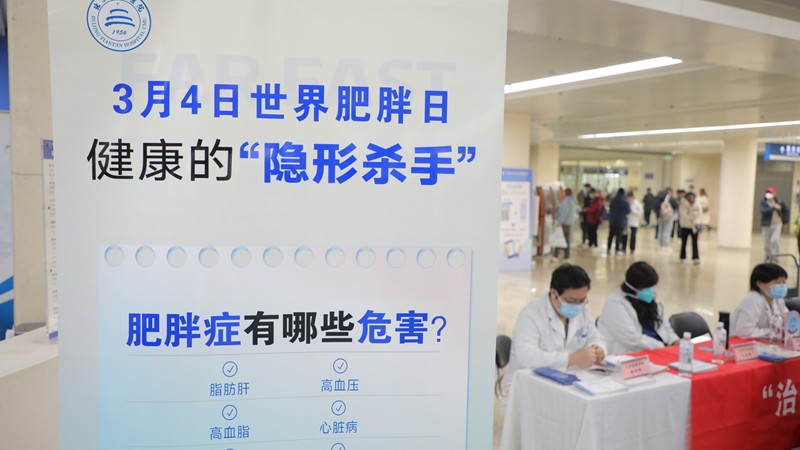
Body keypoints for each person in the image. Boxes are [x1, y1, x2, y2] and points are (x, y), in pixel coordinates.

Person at [507, 264, 606, 381]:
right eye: (571, 301)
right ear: (554, 294)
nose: (577, 305)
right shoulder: (531, 314)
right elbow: (526, 357)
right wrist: (570, 359)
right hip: (532, 383)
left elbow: (594, 336)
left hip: (572, 376)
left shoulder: (582, 310)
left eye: (582, 300)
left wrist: (598, 350)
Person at [598, 261, 679, 355]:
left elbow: (664, 325)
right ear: (633, 287)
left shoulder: (650, 300)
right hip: (632, 354)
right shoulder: (615, 303)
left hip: (659, 349)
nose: (650, 291)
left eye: (651, 287)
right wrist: (661, 347)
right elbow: (631, 339)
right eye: (646, 287)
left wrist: (674, 341)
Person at [730, 263, 790, 339]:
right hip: (741, 342)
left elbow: (785, 316)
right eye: (777, 282)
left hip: (765, 341)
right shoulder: (753, 300)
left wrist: (787, 320)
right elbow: (745, 332)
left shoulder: (778, 299)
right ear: (760, 284)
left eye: (784, 282)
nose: (782, 286)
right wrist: (773, 331)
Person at [759, 187, 789, 263]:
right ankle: (768, 255)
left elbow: (786, 210)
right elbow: (764, 211)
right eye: (768, 192)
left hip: (777, 224)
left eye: (771, 193)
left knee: (774, 240)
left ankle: (775, 256)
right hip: (766, 224)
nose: (769, 194)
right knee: (766, 241)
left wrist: (785, 220)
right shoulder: (763, 203)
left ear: (774, 194)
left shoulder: (779, 202)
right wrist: (774, 207)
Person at [553, 188, 578, 259]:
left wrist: (560, 221)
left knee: (560, 238)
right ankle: (567, 255)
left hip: (565, 223)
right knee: (567, 239)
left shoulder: (567, 201)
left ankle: (555, 255)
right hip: (570, 222)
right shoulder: (573, 200)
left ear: (566, 193)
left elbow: (564, 212)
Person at [678, 191, 702, 265]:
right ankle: (683, 257)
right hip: (686, 225)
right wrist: (691, 216)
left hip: (694, 225)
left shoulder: (697, 203)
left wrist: (693, 215)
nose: (691, 198)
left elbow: (699, 212)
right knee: (684, 242)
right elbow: (683, 214)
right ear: (687, 197)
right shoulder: (683, 204)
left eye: (692, 196)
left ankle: (695, 258)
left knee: (695, 242)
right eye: (689, 196)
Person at [606, 188, 630, 257]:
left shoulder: (613, 199)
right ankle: (617, 249)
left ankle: (608, 248)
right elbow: (628, 211)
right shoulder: (625, 201)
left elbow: (610, 208)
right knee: (618, 236)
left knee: (611, 235)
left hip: (613, 221)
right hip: (621, 221)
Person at [622, 191, 642, 255]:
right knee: (624, 235)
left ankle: (632, 249)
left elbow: (640, 212)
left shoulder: (637, 204)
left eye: (630, 197)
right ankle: (623, 248)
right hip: (626, 222)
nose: (629, 199)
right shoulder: (625, 203)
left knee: (633, 236)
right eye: (628, 197)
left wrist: (632, 211)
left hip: (634, 223)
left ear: (633, 197)